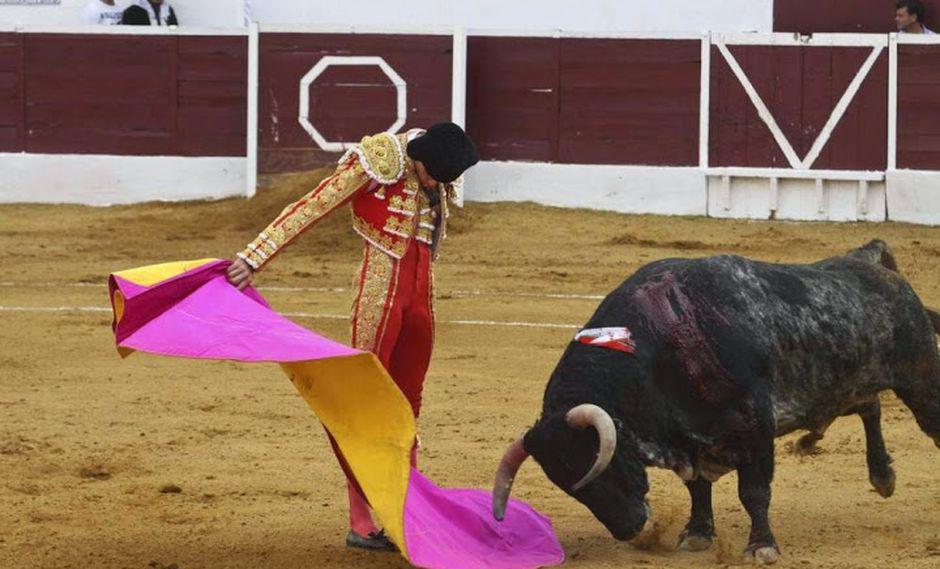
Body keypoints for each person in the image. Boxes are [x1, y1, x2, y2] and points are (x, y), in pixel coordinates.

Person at [226, 123, 479, 551]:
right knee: (363, 402)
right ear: (417, 157)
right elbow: (314, 205)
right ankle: (361, 519)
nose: (436, 184)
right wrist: (254, 257)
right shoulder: (380, 159)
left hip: (421, 296)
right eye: (432, 175)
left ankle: (404, 508)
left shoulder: (440, 162)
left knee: (408, 403)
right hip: (380, 289)